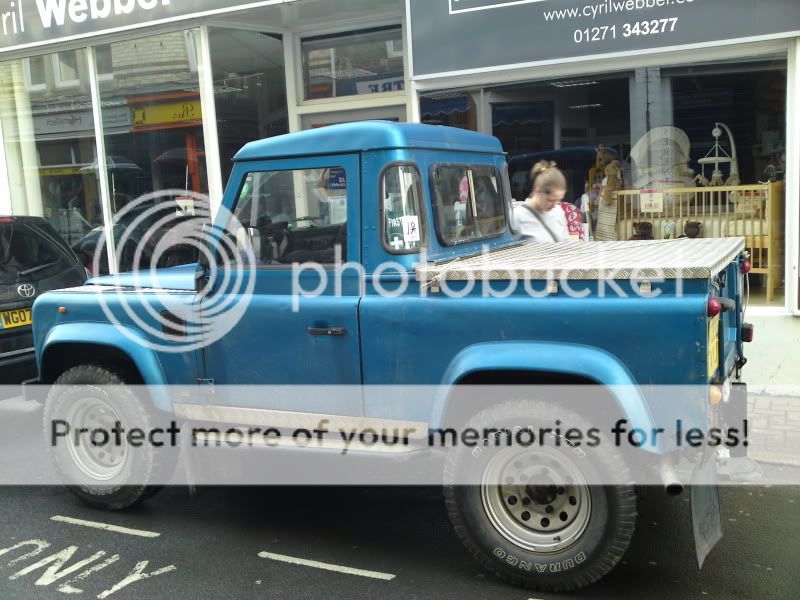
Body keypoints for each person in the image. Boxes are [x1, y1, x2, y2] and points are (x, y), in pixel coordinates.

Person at [513, 161, 570, 242]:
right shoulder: (517, 216)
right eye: (551, 200)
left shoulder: (558, 211)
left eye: (558, 200)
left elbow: (566, 242)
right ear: (537, 191)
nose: (555, 205)